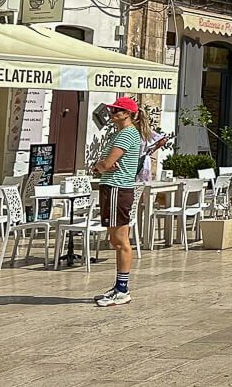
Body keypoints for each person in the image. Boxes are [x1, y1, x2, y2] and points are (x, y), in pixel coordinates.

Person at [88, 96, 142, 307]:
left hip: (117, 188)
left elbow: (107, 163)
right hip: (113, 187)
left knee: (120, 240)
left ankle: (123, 289)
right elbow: (102, 164)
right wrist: (101, 165)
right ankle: (119, 286)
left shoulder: (127, 134)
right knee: (115, 240)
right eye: (112, 110)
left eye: (116, 111)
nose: (112, 114)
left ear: (126, 114)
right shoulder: (121, 134)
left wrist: (101, 165)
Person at [133, 107, 169, 183]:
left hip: (139, 160)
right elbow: (164, 139)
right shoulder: (146, 132)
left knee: (139, 185)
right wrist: (153, 149)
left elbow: (163, 139)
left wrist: (153, 149)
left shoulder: (143, 131)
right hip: (141, 161)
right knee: (142, 185)